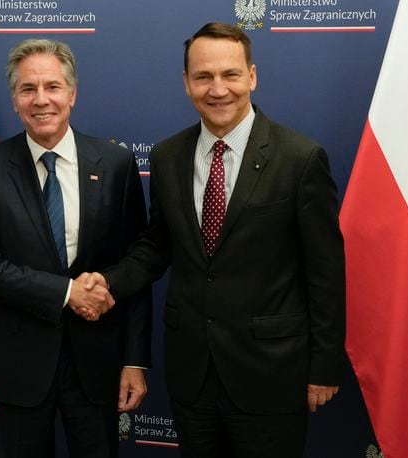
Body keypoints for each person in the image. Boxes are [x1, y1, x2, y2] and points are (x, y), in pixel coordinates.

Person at [89, 23, 347, 457]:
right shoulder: (168, 156)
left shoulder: (299, 158)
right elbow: (157, 247)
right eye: (204, 77)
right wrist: (107, 283)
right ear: (187, 83)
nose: (218, 89)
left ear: (252, 76)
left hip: (271, 374)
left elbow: (326, 273)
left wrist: (324, 366)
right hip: (194, 375)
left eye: (230, 74)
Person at [0, 39, 151, 458]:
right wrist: (67, 293)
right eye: (28, 89)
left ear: (73, 94)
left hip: (98, 364)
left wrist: (135, 360)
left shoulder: (115, 163)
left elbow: (136, 265)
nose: (41, 99)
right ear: (14, 99)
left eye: (53, 86)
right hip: (21, 366)